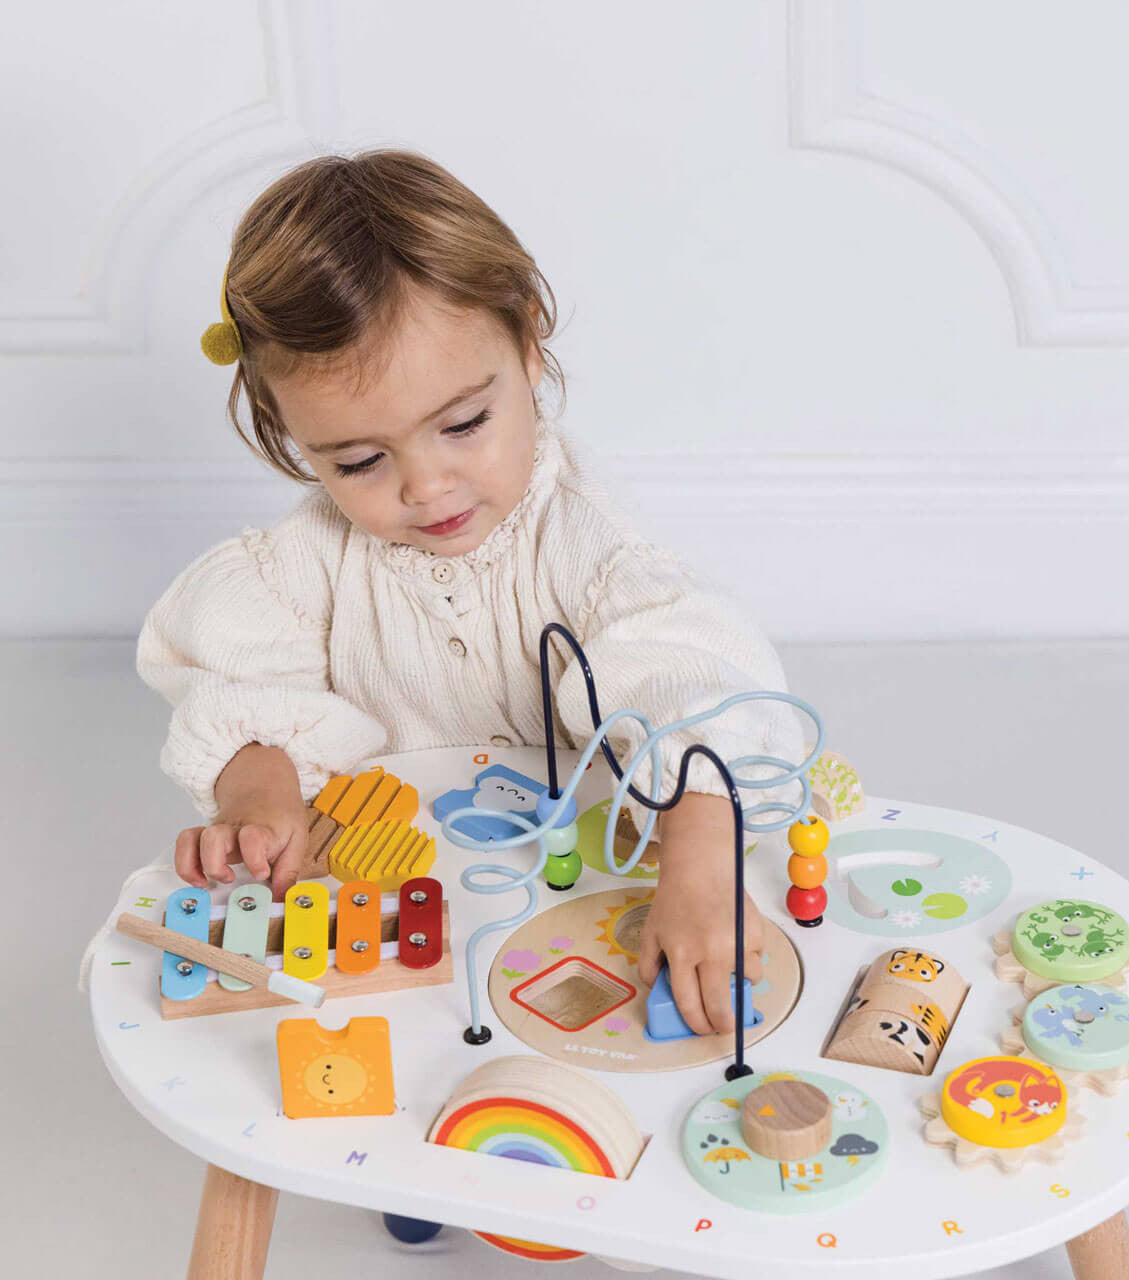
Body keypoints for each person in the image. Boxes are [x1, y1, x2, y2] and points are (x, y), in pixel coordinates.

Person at [138, 149, 802, 1038]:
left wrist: (700, 856)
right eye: (359, 461)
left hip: (580, 891)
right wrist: (258, 796)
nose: (426, 487)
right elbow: (249, 685)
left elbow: (686, 677)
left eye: (463, 425)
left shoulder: (584, 544)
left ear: (528, 343)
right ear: (292, 436)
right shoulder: (304, 562)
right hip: (402, 904)